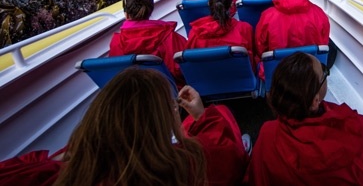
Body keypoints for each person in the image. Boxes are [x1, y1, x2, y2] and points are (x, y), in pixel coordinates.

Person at [0, 68, 249, 186]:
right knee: (222, 113)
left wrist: (82, 149)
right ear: (160, 122)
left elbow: (28, 163)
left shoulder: (45, 174)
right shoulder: (186, 164)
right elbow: (229, 155)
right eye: (172, 106)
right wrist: (201, 114)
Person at [245, 52, 363, 185]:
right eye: (324, 72)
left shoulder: (267, 134)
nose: (324, 72)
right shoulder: (356, 129)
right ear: (315, 101)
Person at [109, 0, 186, 88]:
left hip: (133, 95)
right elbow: (182, 69)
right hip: (167, 93)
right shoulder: (170, 36)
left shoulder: (117, 42)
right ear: (150, 12)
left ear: (126, 15)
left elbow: (115, 73)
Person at [255, 0, 330, 61]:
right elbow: (322, 45)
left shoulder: (267, 16)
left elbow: (260, 49)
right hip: (309, 72)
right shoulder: (319, 14)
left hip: (278, 72)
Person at [186, 0, 257, 71]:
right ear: (231, 5)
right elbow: (251, 60)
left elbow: (190, 61)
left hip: (207, 80)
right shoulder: (245, 28)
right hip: (240, 79)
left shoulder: (195, 33)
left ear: (209, 3)